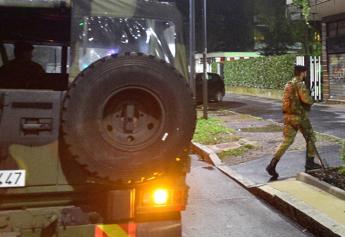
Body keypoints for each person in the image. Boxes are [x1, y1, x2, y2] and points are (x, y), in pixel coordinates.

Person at [266, 65, 322, 180]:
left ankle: (272, 164)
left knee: (287, 141)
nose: (306, 75)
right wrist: (313, 100)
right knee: (311, 138)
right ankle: (310, 164)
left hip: (288, 117)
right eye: (305, 73)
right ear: (302, 73)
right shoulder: (300, 84)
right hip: (299, 117)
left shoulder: (288, 84)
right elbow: (306, 99)